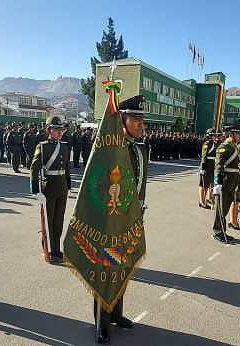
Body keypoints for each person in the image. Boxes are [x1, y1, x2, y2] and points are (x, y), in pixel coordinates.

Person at [91, 95, 148, 344]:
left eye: (141, 119)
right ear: (121, 120)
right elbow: (97, 185)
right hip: (110, 221)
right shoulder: (109, 149)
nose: (140, 124)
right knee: (106, 272)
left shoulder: (137, 148)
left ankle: (116, 314)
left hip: (131, 219)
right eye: (135, 119)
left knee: (123, 268)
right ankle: (101, 323)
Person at [30, 115, 71, 264]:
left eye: (61, 130)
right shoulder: (43, 146)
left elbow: (66, 168)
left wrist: (69, 185)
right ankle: (47, 249)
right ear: (49, 130)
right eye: (56, 130)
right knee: (49, 220)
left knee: (58, 221)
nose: (59, 133)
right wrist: (35, 190)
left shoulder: (65, 146)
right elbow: (34, 168)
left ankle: (56, 249)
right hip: (49, 187)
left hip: (62, 187)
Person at [212, 126, 240, 243]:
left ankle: (223, 231)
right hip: (225, 181)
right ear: (231, 134)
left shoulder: (234, 147)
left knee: (225, 209)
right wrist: (217, 183)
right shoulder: (224, 147)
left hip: (232, 182)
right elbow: (219, 166)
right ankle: (218, 232)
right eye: (238, 133)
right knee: (221, 209)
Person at [198, 128, 218, 209]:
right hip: (206, 166)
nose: (215, 136)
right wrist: (202, 168)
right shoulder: (207, 143)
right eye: (213, 135)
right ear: (210, 135)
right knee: (203, 185)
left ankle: (205, 199)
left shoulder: (214, 143)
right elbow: (204, 156)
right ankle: (201, 201)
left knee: (207, 185)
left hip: (212, 166)